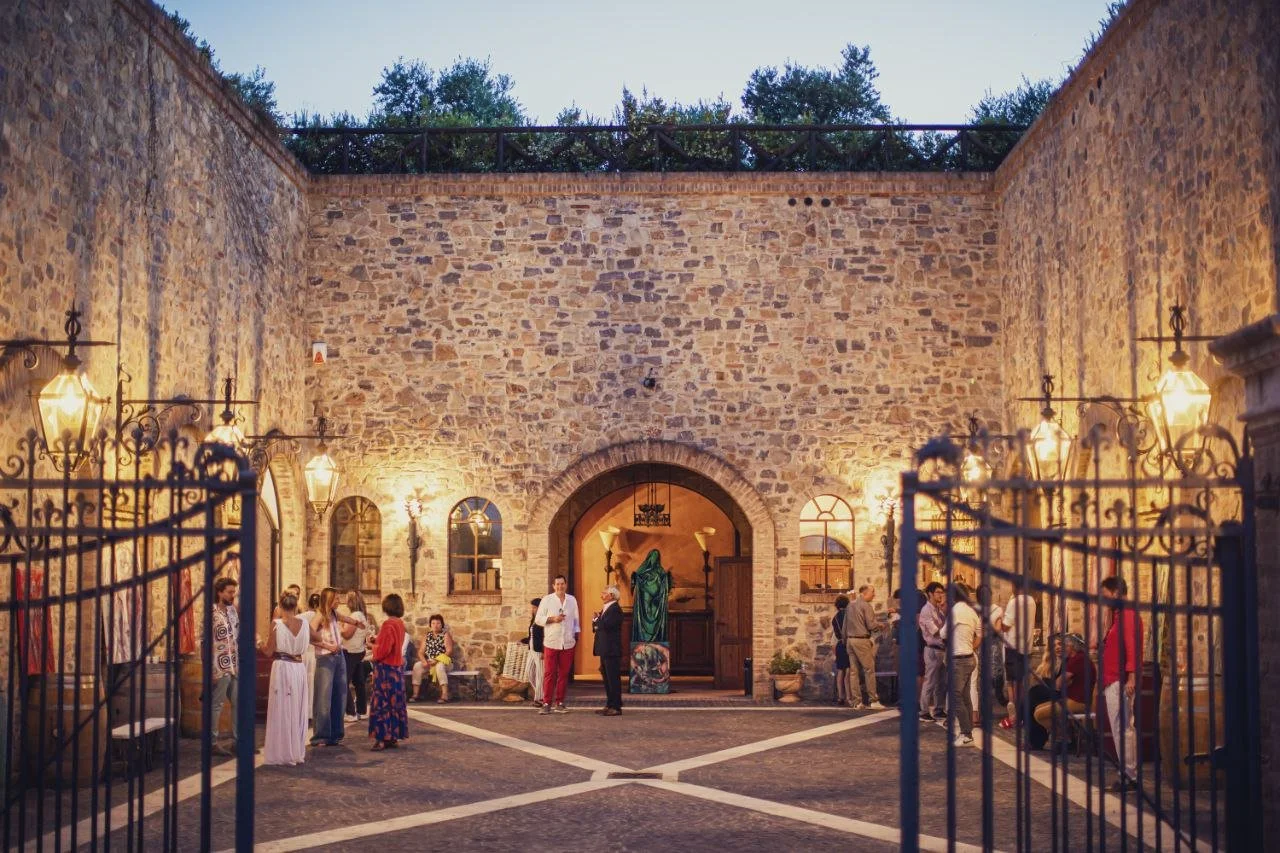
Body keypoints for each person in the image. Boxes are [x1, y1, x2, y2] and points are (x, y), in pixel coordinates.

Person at [1100, 575, 1144, 791]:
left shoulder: (1127, 614)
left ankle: (1130, 775)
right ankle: (1127, 772)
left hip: (1120, 680)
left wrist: (1132, 676)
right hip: (1114, 679)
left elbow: (1132, 647)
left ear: (1116, 592)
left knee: (1123, 728)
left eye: (1106, 596)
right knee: (1121, 727)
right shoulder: (1120, 615)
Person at [260, 592, 309, 766]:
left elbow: (267, 651)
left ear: (280, 607)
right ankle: (295, 750)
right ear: (296, 606)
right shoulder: (304, 624)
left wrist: (258, 641)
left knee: (281, 708)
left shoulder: (277, 624)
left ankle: (282, 751)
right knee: (296, 708)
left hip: (282, 667)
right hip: (299, 668)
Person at [310, 587, 356, 747]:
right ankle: (321, 736)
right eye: (336, 598)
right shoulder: (319, 616)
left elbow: (347, 619)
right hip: (325, 658)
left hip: (339, 657)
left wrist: (357, 622)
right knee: (324, 697)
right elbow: (309, 636)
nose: (339, 601)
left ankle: (336, 733)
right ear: (329, 599)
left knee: (340, 694)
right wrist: (327, 646)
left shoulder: (335, 614)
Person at [1033, 633, 1095, 752]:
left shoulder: (1078, 659)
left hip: (1078, 701)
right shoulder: (1077, 659)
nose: (1063, 648)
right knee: (1038, 708)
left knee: (1039, 714)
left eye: (1065, 646)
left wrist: (1062, 683)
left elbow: (1059, 683)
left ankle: (1063, 738)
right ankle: (1064, 736)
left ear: (1073, 647)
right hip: (1071, 698)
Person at [941, 584, 982, 747]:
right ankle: (967, 732)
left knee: (955, 696)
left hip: (958, 659)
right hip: (970, 657)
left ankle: (966, 734)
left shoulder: (955, 611)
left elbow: (943, 633)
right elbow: (979, 633)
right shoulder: (971, 611)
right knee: (965, 696)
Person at [368, 594, 408, 751]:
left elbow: (384, 650)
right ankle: (393, 737)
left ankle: (382, 738)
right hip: (397, 669)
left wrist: (372, 646)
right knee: (394, 703)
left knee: (382, 704)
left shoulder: (388, 624)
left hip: (385, 670)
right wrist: (377, 641)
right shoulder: (400, 623)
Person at [534, 574, 579, 715]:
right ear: (553, 586)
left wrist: (575, 635)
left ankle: (560, 702)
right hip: (551, 642)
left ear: (566, 585)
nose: (560, 586)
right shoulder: (547, 600)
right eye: (557, 584)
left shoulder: (572, 600)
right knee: (549, 673)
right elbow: (538, 619)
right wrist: (553, 619)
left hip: (568, 642)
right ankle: (546, 702)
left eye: (562, 584)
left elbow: (576, 620)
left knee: (564, 674)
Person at [207, 576, 240, 757]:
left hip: (234, 663)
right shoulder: (211, 614)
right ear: (220, 592)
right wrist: (210, 669)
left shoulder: (232, 611)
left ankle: (237, 741)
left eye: (234, 592)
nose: (232, 595)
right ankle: (212, 742)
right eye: (229, 592)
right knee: (217, 704)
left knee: (238, 702)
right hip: (219, 665)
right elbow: (206, 642)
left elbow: (236, 635)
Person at [997, 586, 1038, 730]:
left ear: (1014, 586)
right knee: (1021, 683)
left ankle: (1015, 717)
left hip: (1013, 647)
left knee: (1013, 683)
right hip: (1026, 647)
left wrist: (998, 619)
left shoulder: (1014, 602)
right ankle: (1021, 716)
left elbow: (1006, 626)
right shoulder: (1031, 600)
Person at [844, 584, 885, 710]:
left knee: (853, 672)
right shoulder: (866, 606)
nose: (874, 595)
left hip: (850, 641)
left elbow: (844, 626)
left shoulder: (850, 605)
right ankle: (873, 700)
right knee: (869, 670)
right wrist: (881, 625)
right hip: (861, 640)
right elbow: (871, 625)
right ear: (865, 593)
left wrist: (846, 641)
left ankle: (857, 702)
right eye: (873, 592)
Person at [1024, 634, 1066, 750]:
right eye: (1054, 646)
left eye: (1060, 644)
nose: (1057, 647)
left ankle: (1018, 718)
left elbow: (1061, 684)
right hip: (1050, 693)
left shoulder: (1068, 661)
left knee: (1033, 694)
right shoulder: (1050, 662)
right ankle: (1035, 741)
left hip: (1062, 694)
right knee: (1033, 701)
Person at [343, 591, 376, 721]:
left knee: (343, 682)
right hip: (358, 651)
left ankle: (350, 712)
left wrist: (337, 628)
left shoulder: (355, 615)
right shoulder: (363, 615)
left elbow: (347, 634)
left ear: (351, 601)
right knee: (359, 682)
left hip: (350, 651)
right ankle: (362, 710)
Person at [592, 585, 624, 716]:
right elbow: (598, 626)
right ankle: (609, 704)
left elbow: (606, 625)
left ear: (611, 595)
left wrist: (596, 620)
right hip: (605, 649)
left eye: (604, 593)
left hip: (611, 649)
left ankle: (616, 706)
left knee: (613, 679)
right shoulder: (607, 609)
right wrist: (597, 621)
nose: (601, 595)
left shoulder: (615, 609)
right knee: (607, 678)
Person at [918, 582, 947, 721]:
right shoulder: (926, 610)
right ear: (930, 593)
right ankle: (924, 711)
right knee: (930, 681)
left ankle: (938, 709)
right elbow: (936, 631)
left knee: (941, 682)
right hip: (932, 650)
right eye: (938, 592)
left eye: (942, 592)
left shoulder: (938, 610)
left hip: (942, 649)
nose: (941, 595)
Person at [411, 615, 456, 703]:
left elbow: (449, 651)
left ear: (442, 624)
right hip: (430, 661)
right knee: (417, 666)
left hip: (444, 662)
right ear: (430, 625)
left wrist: (437, 660)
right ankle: (415, 694)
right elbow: (420, 652)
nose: (435, 625)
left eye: (438, 623)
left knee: (439, 667)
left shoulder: (445, 635)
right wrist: (424, 661)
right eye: (433, 623)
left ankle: (445, 695)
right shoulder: (427, 636)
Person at [521, 598, 545, 707]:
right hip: (531, 650)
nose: (533, 609)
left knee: (540, 674)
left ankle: (539, 698)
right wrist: (524, 640)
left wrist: (544, 651)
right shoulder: (534, 620)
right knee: (529, 673)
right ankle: (542, 693)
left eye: (535, 607)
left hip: (539, 650)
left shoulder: (543, 620)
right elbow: (532, 636)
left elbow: (544, 636)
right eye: (533, 607)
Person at [831, 595, 851, 706]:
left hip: (839, 645)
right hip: (848, 643)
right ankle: (848, 696)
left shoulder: (835, 618)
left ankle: (840, 696)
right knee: (848, 670)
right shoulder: (849, 615)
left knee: (840, 671)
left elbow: (836, 634)